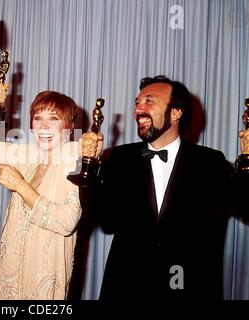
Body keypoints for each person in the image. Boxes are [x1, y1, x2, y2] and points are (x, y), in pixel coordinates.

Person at [80, 75, 249, 300]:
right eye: (137, 102)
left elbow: (245, 206)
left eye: (149, 101)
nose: (138, 108)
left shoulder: (210, 162)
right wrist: (89, 166)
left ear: (176, 112)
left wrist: (247, 162)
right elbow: (104, 218)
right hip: (126, 287)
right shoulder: (119, 158)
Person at [0, 85, 82, 299]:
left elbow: (66, 222)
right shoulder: (30, 154)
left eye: (54, 119)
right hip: (9, 276)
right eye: (38, 118)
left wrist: (20, 185)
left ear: (69, 127)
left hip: (44, 277)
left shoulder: (74, 158)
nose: (44, 126)